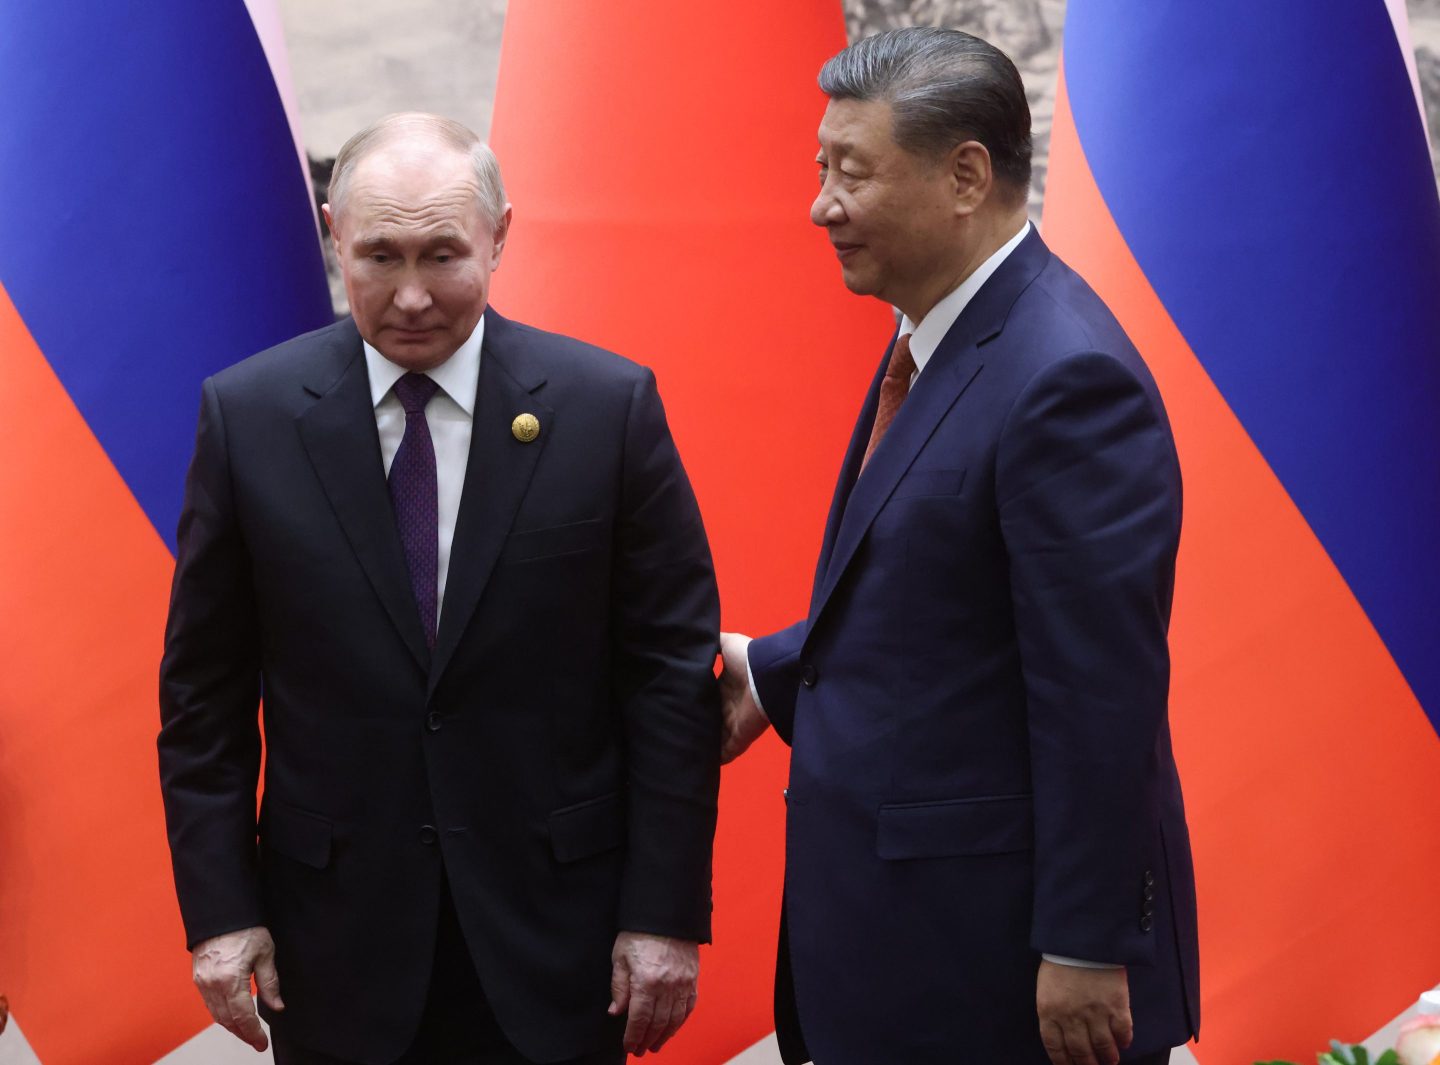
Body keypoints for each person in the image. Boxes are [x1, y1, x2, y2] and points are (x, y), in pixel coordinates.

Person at [158, 113, 720, 1065]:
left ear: (502, 233)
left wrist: (663, 915)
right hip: (333, 941)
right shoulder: (246, 416)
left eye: (443, 254)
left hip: (557, 937)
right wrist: (220, 912)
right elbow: (202, 695)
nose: (412, 295)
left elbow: (668, 676)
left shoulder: (606, 408)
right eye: (379, 255)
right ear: (333, 234)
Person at [718, 28, 1199, 1065]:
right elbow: (941, 604)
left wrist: (1083, 943)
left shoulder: (1065, 379)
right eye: (819, 168)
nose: (821, 205)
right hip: (910, 961)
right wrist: (768, 672)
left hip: (1001, 980)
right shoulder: (941, 338)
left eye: (852, 173)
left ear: (966, 176)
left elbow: (1098, 689)